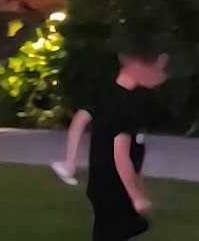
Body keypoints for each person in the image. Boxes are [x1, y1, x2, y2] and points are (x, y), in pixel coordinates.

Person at [60, 33, 169, 241]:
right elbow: (120, 154)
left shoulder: (105, 93)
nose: (161, 76)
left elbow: (78, 123)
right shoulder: (126, 105)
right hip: (114, 188)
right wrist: (135, 195)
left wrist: (70, 161)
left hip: (101, 184)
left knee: (123, 229)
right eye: (158, 68)